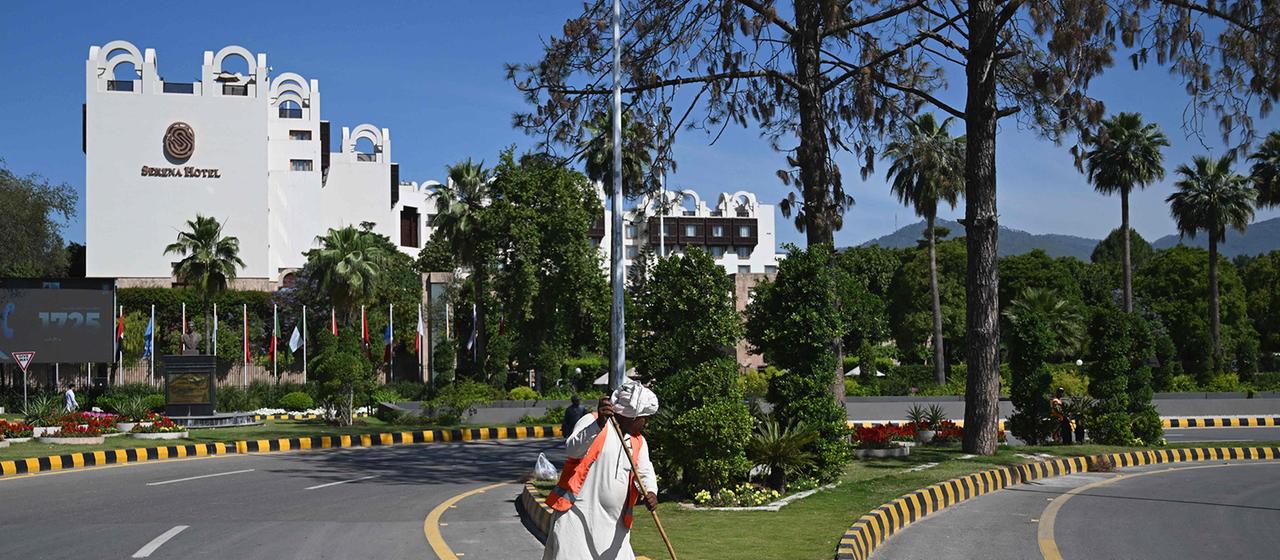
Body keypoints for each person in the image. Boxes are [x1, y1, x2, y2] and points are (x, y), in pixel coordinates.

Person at [543, 380, 659, 560]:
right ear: (632, 416)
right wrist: (598, 425)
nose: (647, 423)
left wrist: (651, 492)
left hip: (615, 528)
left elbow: (645, 471)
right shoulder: (592, 422)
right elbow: (573, 449)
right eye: (645, 418)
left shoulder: (639, 441)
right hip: (576, 521)